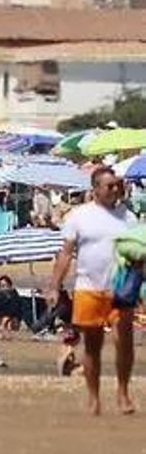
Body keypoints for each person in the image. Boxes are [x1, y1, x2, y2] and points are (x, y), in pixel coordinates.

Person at [49, 167, 137, 416]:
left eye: (116, 185)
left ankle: (123, 393)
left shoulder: (128, 217)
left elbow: (137, 252)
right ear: (95, 189)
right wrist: (55, 285)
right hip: (88, 287)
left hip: (120, 287)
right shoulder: (79, 216)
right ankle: (94, 397)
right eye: (109, 186)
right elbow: (66, 253)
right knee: (92, 346)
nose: (114, 189)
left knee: (124, 342)